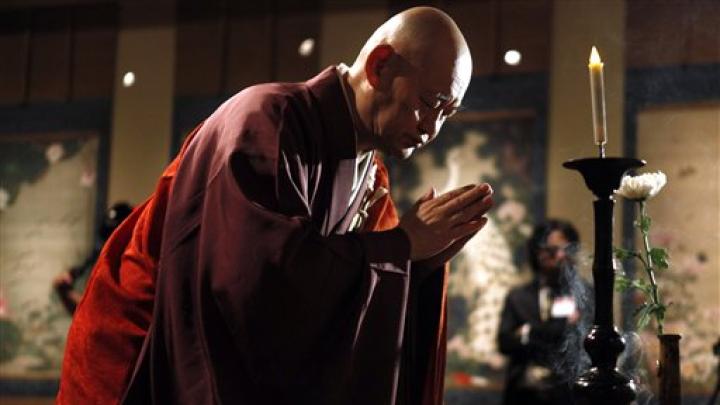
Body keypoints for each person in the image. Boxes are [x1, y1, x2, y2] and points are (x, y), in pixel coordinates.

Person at [58, 7, 494, 405]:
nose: (432, 128)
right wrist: (400, 248)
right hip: (140, 359)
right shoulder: (266, 120)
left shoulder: (371, 175)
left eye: (447, 114)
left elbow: (368, 284)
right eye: (429, 104)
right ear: (380, 66)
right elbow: (255, 279)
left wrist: (422, 263)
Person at [497, 219, 586, 405]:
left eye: (567, 250)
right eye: (552, 250)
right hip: (524, 393)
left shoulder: (585, 294)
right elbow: (504, 342)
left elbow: (582, 343)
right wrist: (560, 327)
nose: (560, 255)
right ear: (537, 252)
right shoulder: (518, 297)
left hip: (569, 394)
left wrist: (527, 332)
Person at [53, 202, 133, 314]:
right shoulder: (102, 258)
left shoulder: (130, 270)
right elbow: (84, 316)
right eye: (108, 238)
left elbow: (97, 313)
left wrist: (66, 293)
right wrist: (65, 291)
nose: (109, 245)